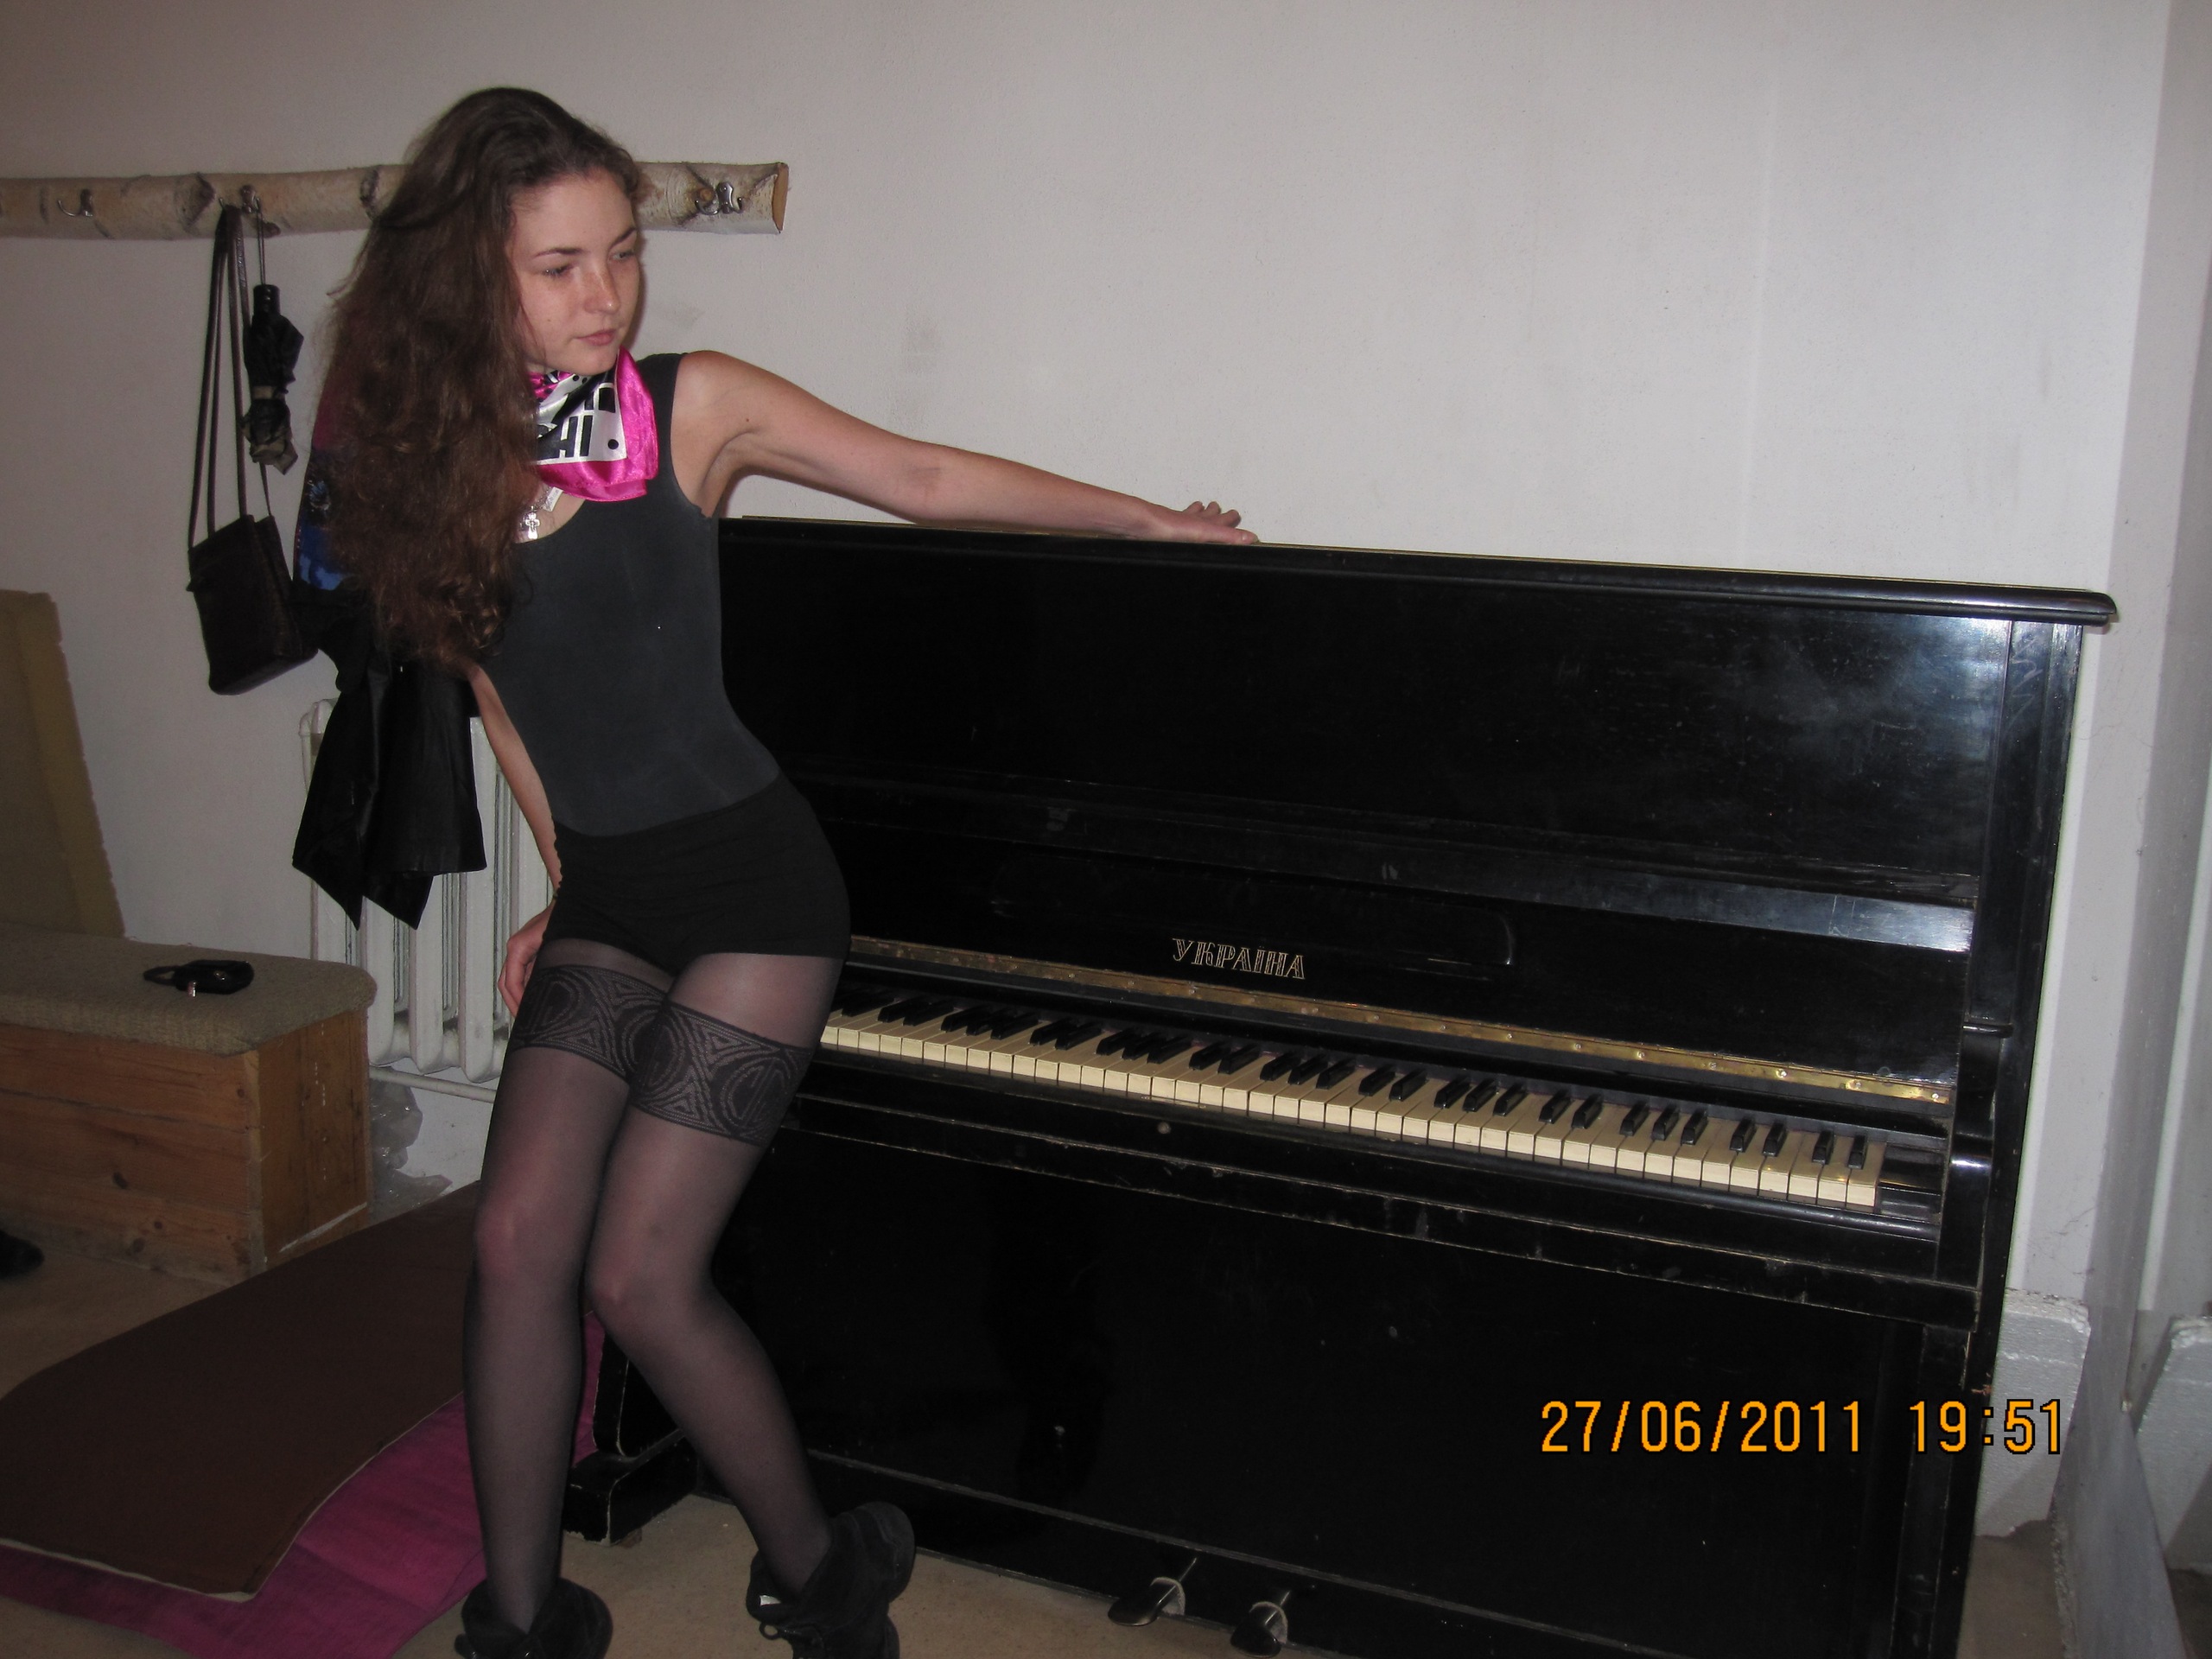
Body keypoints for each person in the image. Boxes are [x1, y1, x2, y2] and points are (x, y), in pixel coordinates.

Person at [323, 87, 1254, 1659]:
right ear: (467, 275)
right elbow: (502, 691)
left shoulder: (683, 406)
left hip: (756, 891)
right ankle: (525, 1624)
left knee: (638, 1273)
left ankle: (826, 1583)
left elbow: (923, 478)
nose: (607, 295)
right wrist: (559, 873)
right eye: (560, 266)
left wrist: (1147, 522)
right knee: (514, 1242)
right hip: (616, 895)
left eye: (623, 252)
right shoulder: (435, 463)